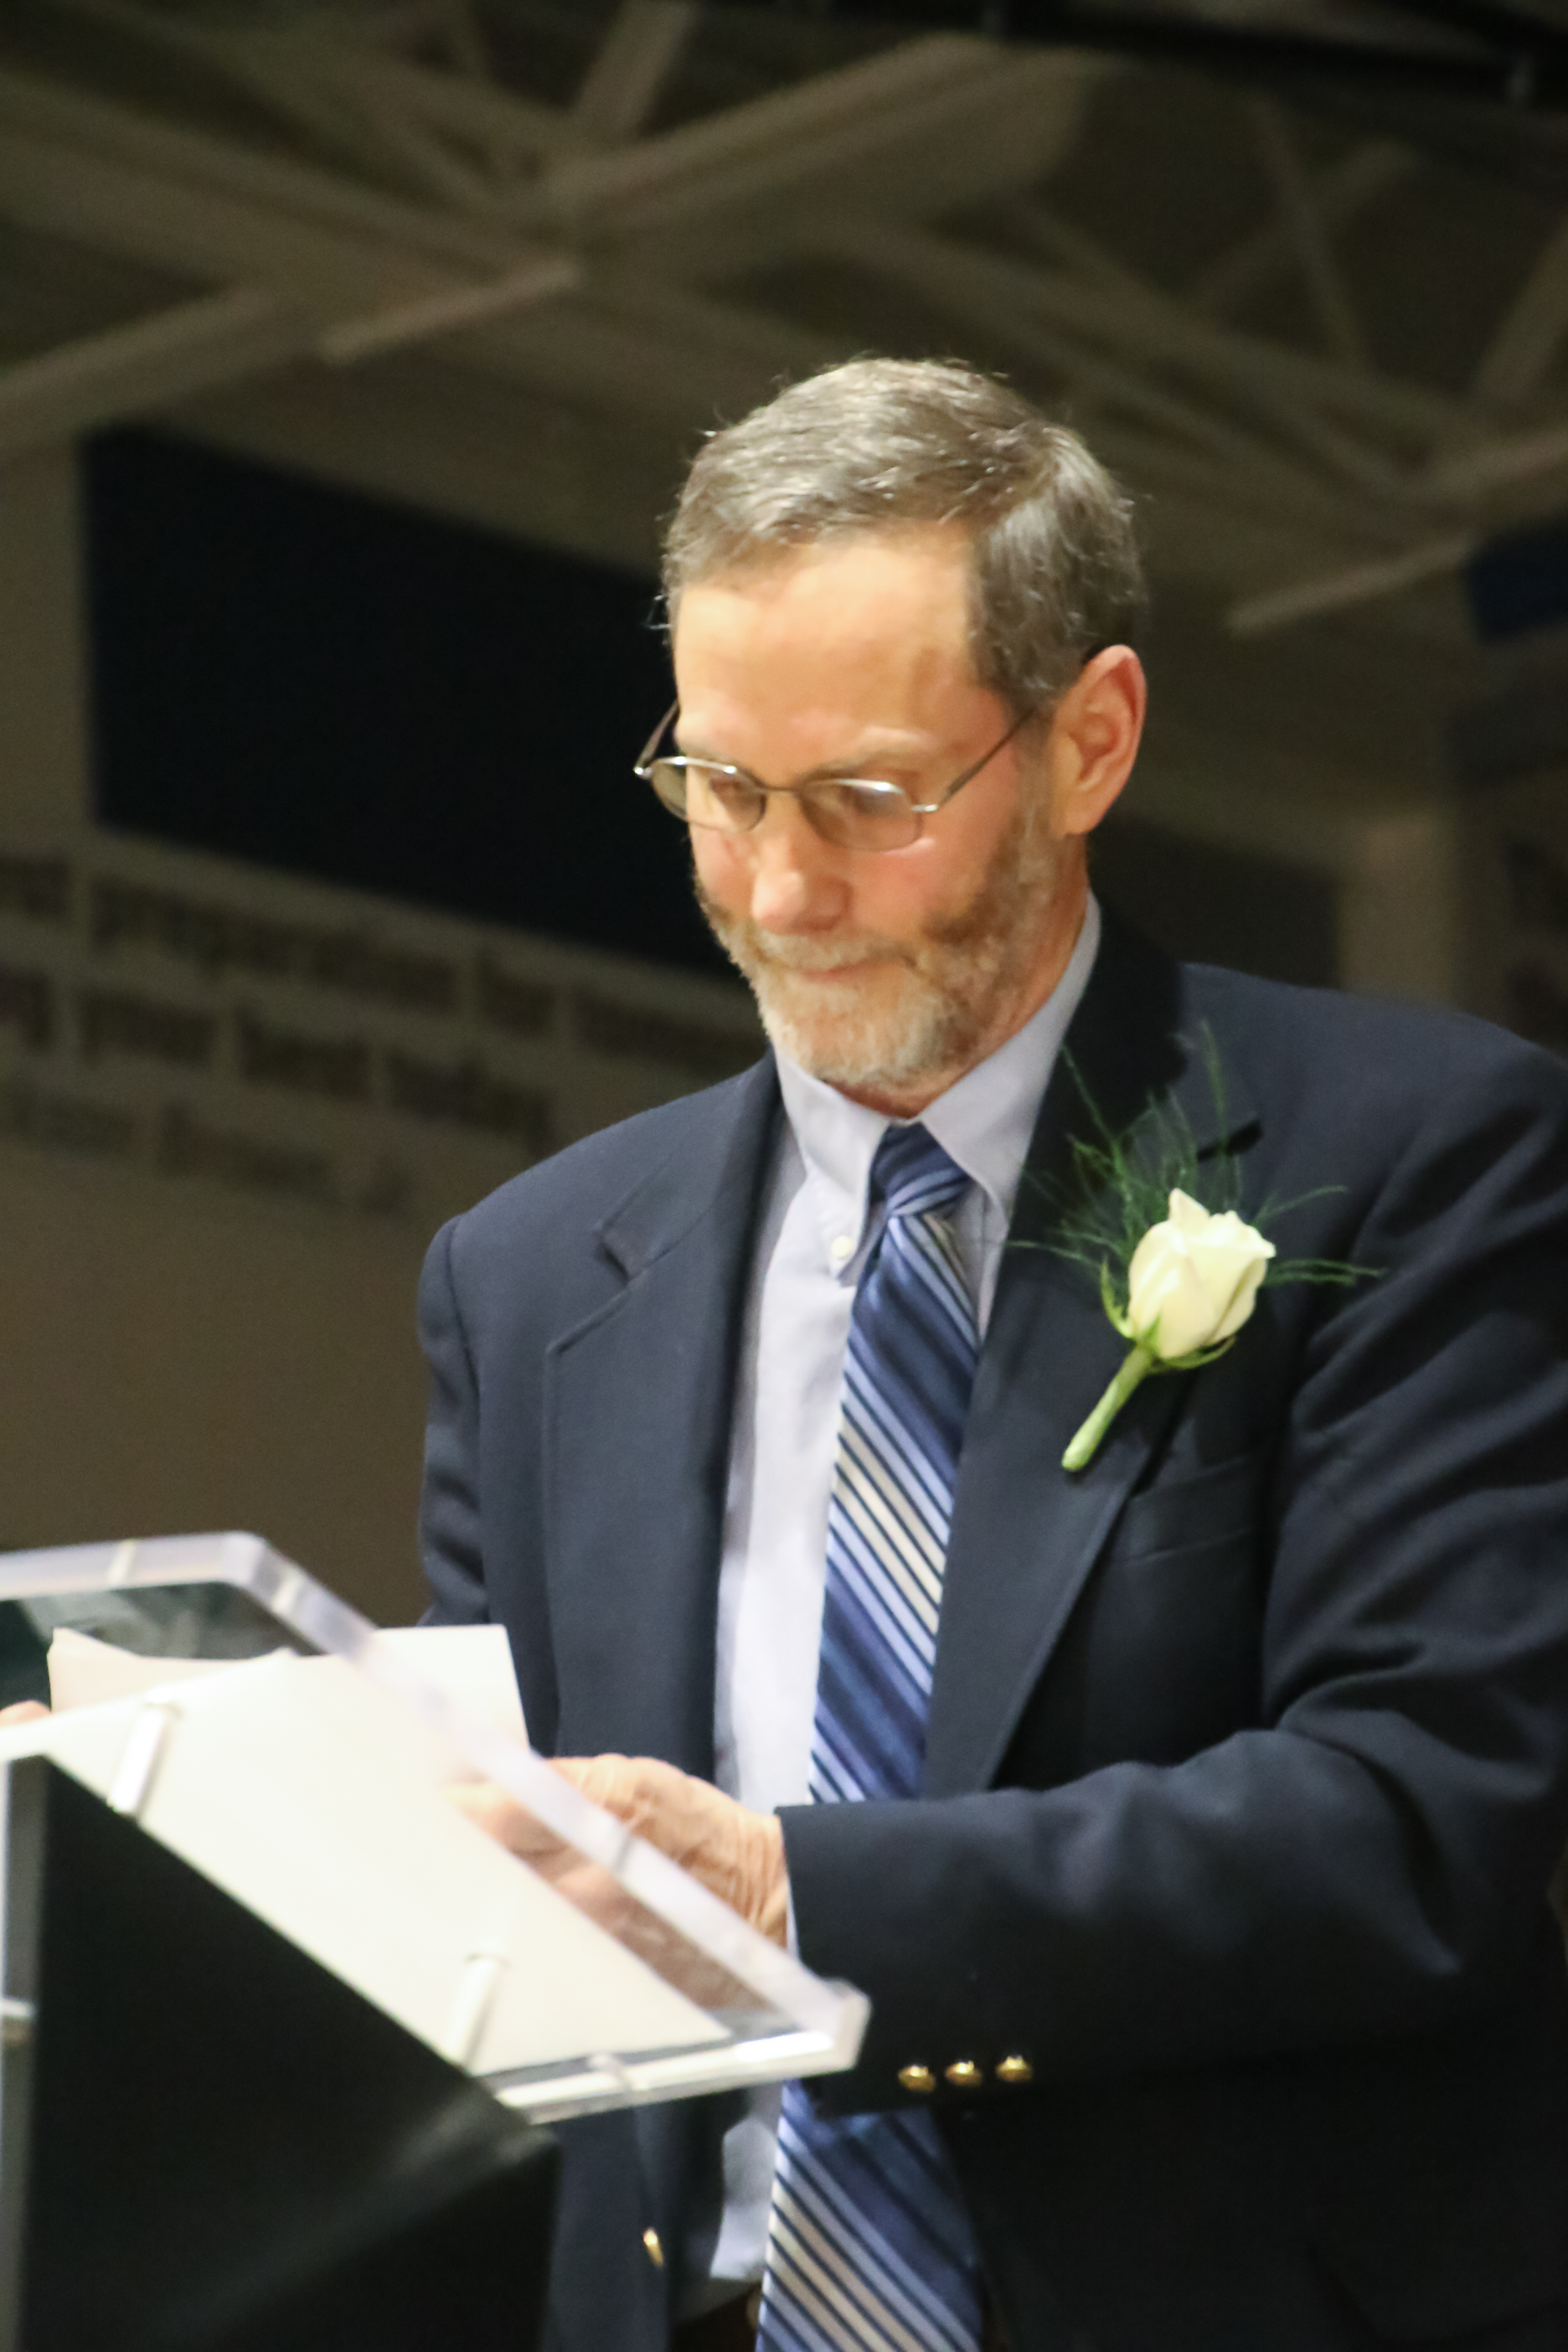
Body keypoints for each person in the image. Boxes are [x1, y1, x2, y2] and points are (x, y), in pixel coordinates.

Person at [419, 359, 1568, 2352]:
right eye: (721, 789)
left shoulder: (1412, 1153)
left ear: (1090, 740)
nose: (784, 890)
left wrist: (793, 1895)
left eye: (870, 801)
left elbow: (1418, 1822)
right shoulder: (526, 1281)